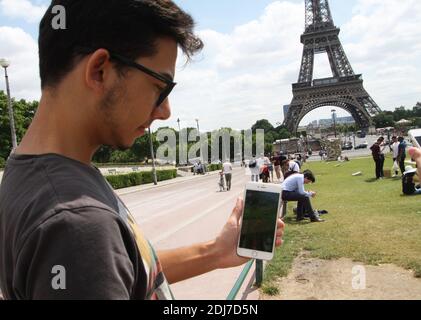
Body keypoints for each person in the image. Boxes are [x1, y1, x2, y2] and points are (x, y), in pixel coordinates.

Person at [0, 0, 285, 300]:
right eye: (160, 87)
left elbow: (119, 270)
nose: (165, 110)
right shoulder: (77, 223)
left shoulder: (32, 173)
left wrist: (213, 252)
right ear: (99, 71)